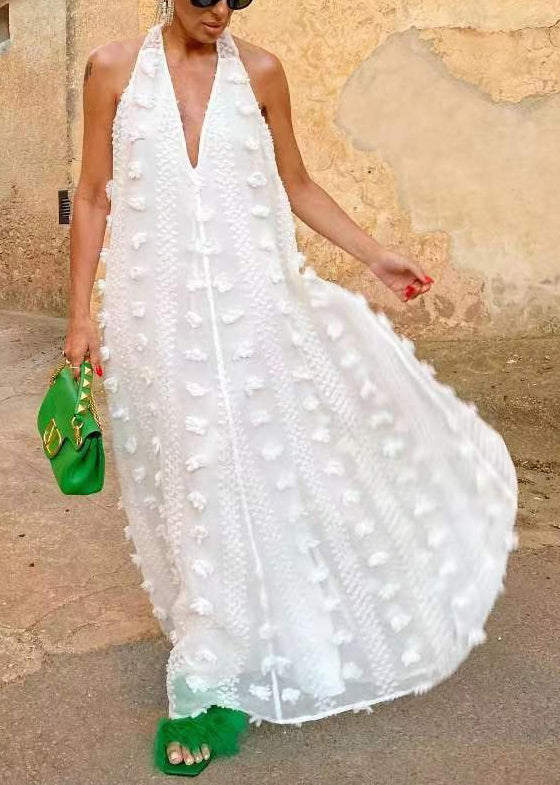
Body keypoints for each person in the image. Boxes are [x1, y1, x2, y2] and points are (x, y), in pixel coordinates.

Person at [63, 0, 518, 776]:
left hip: (256, 318)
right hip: (156, 323)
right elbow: (95, 195)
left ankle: (219, 669)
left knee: (257, 477)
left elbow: (297, 184)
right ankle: (214, 659)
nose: (220, 10)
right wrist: (79, 319)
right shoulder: (110, 71)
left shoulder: (263, 73)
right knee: (192, 486)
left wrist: (374, 255)